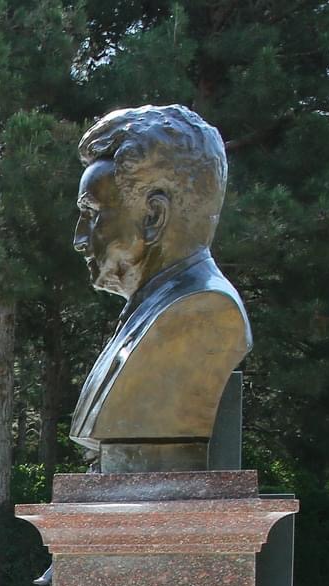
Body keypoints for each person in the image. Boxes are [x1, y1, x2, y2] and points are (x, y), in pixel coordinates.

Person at [67, 105, 250, 473]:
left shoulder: (203, 313)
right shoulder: (151, 314)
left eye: (92, 214)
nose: (79, 239)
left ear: (153, 216)